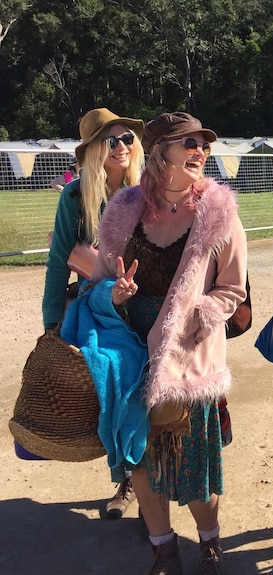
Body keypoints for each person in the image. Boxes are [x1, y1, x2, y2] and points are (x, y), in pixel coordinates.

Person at [88, 111, 247, 575]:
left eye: (204, 144)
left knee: (193, 463)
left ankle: (210, 543)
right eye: (189, 143)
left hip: (187, 352)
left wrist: (201, 314)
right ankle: (163, 548)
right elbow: (98, 280)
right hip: (130, 350)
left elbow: (233, 290)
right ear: (160, 153)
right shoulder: (122, 210)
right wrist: (114, 294)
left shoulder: (219, 211)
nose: (201, 151)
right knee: (140, 457)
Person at [42, 108, 145, 519]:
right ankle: (126, 477)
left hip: (148, 300)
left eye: (127, 140)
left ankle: (151, 477)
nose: (121, 147)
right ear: (92, 152)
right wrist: (52, 320)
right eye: (110, 141)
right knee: (116, 382)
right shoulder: (75, 198)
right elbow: (57, 260)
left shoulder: (149, 190)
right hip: (100, 306)